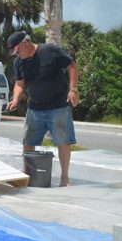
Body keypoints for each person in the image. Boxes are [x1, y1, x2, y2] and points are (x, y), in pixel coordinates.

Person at [5, 31, 79, 187]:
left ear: (26, 42)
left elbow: (71, 65)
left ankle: (65, 179)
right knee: (28, 141)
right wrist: (15, 99)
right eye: (15, 52)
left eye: (18, 50)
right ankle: (26, 174)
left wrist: (73, 89)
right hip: (35, 109)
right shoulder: (19, 62)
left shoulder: (49, 50)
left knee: (63, 142)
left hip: (58, 106)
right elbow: (19, 83)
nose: (17, 54)